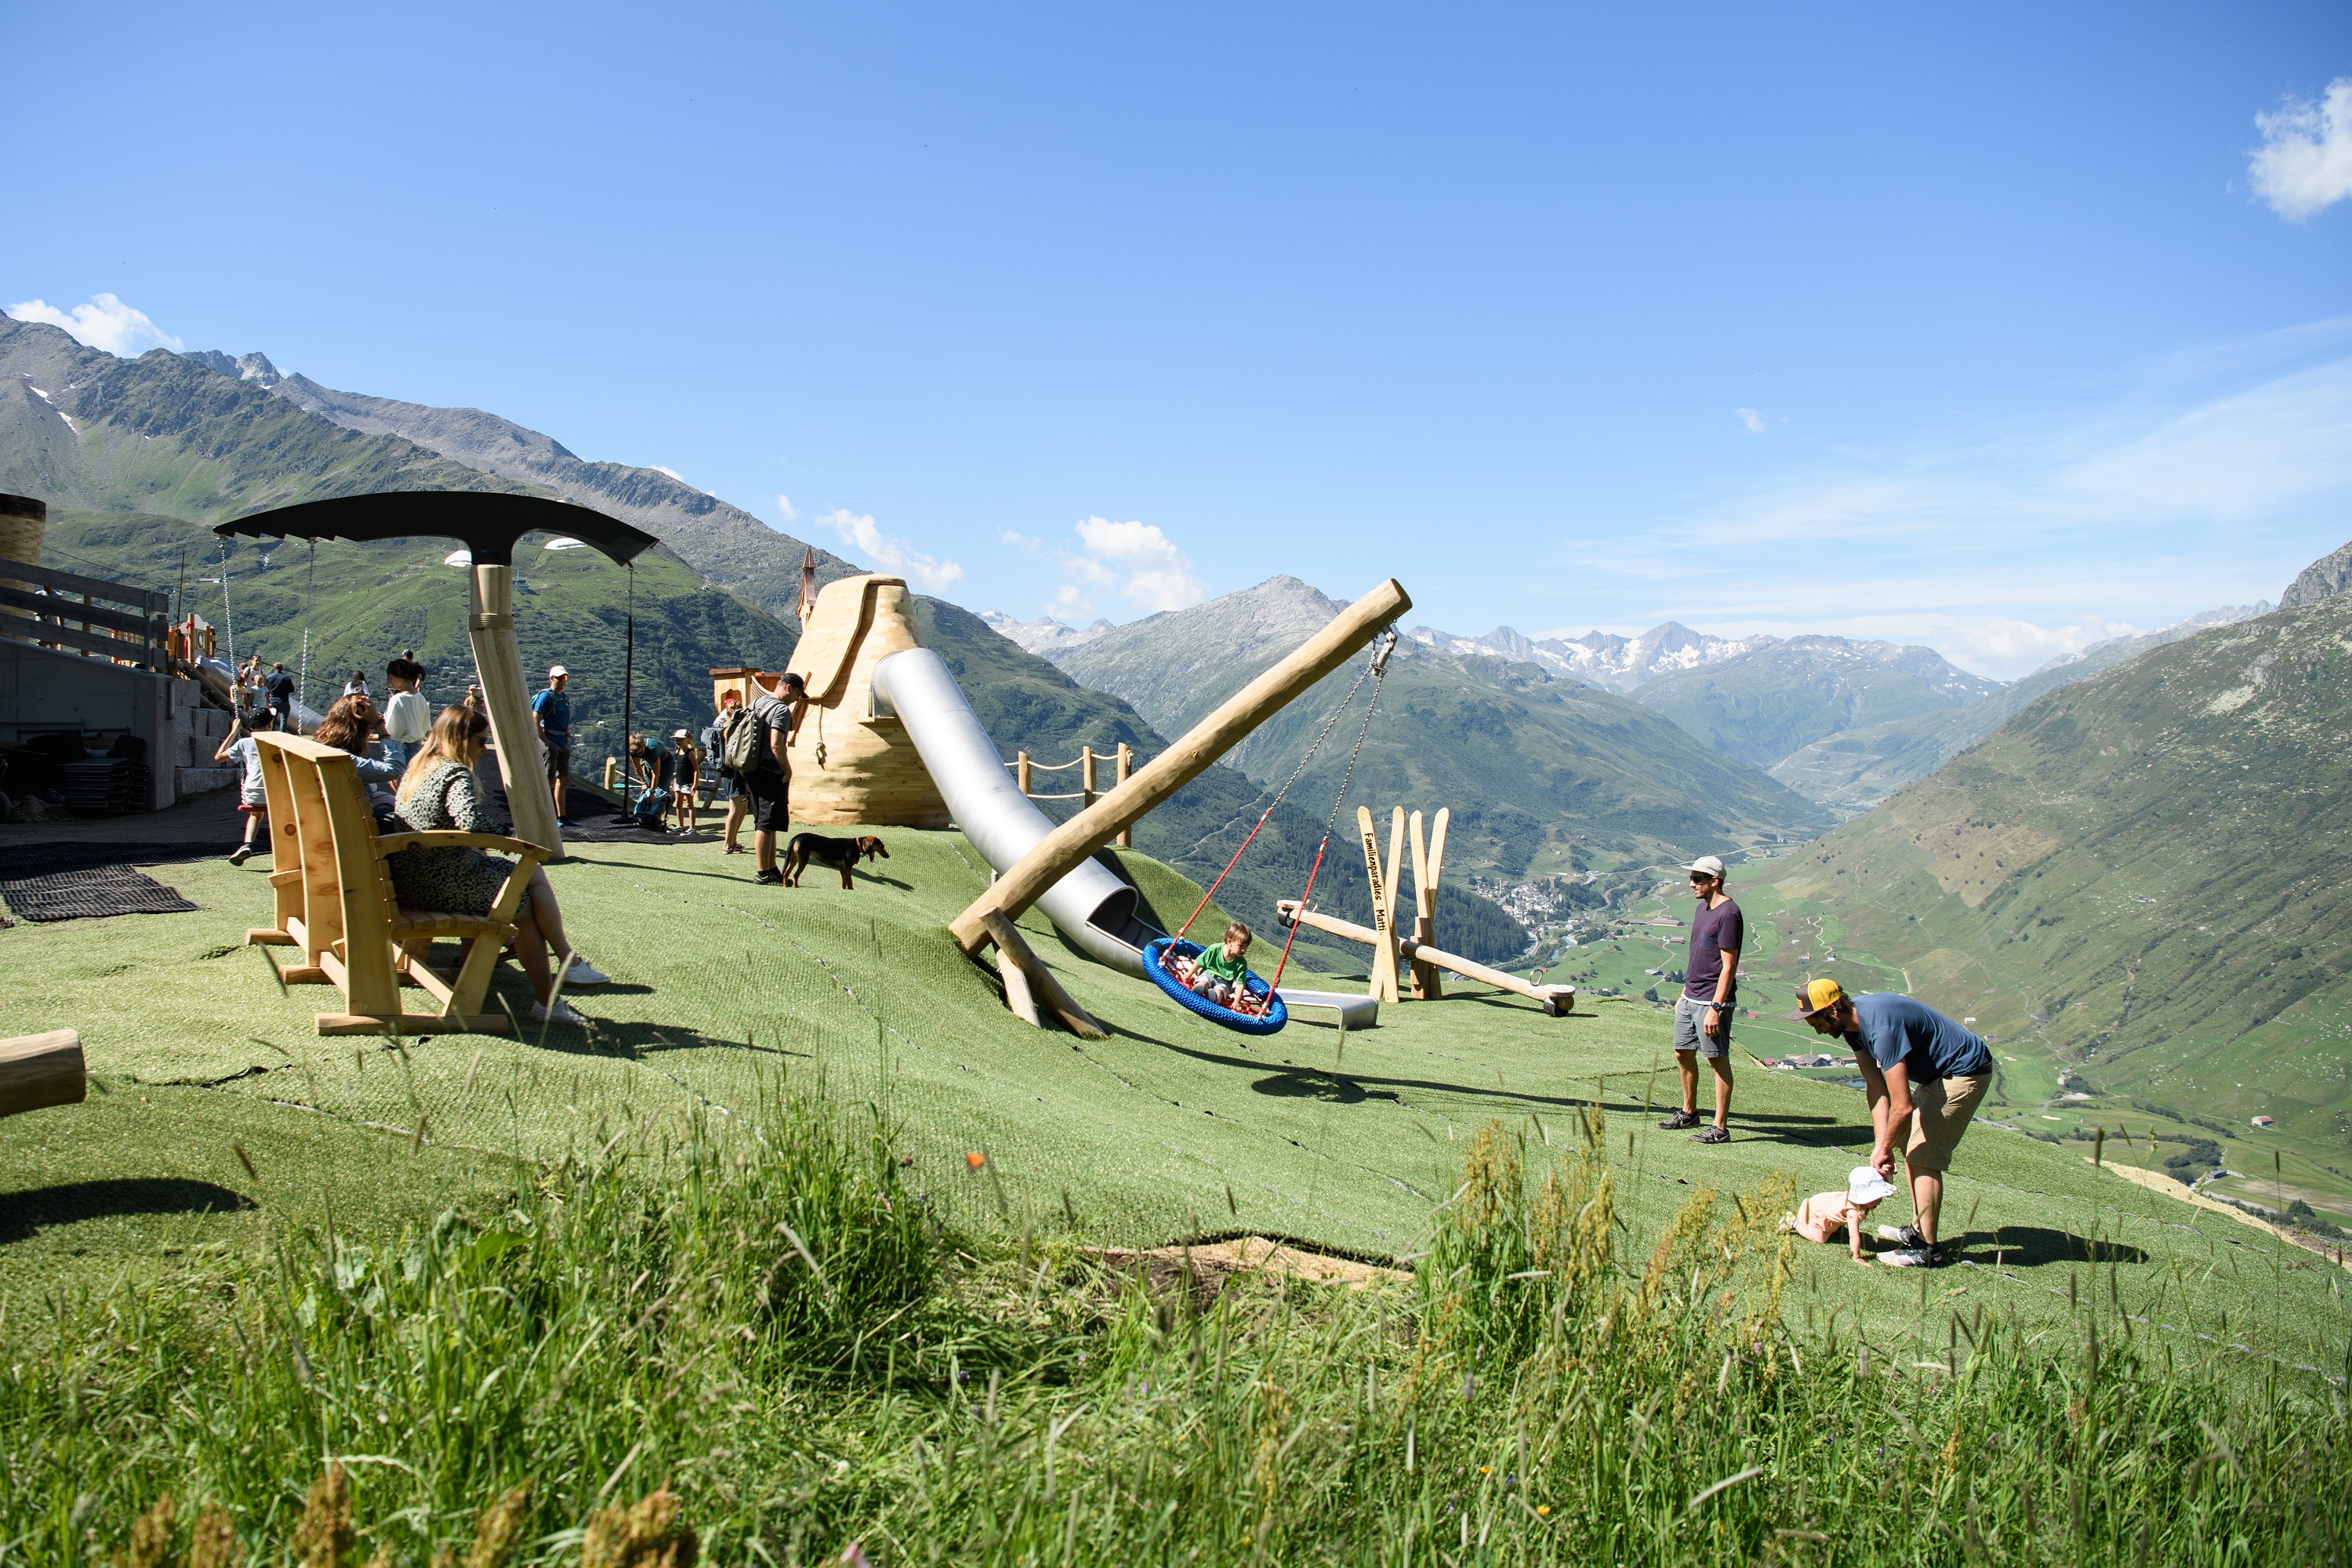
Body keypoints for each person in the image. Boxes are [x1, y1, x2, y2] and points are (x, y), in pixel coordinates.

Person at [391, 706, 609, 1022]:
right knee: (524, 907)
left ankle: (564, 968)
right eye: (481, 741)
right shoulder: (454, 772)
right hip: (443, 884)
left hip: (411, 880)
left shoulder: (418, 768)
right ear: (462, 740)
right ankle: (553, 990)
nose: (484, 749)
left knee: (528, 877)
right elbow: (468, 820)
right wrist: (505, 836)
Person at [1793, 978, 1994, 1269]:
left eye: (1814, 1021)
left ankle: (1927, 1250)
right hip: (1937, 1077)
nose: (1815, 1029)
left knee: (1922, 1154)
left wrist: (1884, 1148)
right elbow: (1876, 1089)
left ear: (1832, 1011)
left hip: (1964, 1072)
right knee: (1904, 1140)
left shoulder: (1881, 1029)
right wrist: (1881, 1147)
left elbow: (1902, 1105)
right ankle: (1918, 1231)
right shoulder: (1853, 1027)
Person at [1657, 855, 1742, 1145]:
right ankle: (1690, 1112)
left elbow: (1729, 966)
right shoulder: (1702, 909)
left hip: (1711, 1002)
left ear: (1714, 881)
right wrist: (1684, 993)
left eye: (1697, 879)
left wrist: (1716, 1008)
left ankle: (1720, 1128)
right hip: (1691, 996)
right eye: (1692, 878)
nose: (1691, 883)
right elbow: (1699, 955)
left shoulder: (1728, 914)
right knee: (1683, 1052)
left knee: (1716, 1060)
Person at [742, 671, 806, 884]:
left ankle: (772, 869)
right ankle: (762, 873)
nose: (797, 699)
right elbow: (776, 743)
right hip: (769, 771)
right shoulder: (780, 710)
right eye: (798, 694)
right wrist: (787, 770)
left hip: (751, 768)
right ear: (789, 688)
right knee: (765, 823)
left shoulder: (759, 702)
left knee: (768, 823)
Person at [1776, 1166, 1898, 1266]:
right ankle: (1794, 1222)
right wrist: (1857, 1257)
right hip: (1817, 1211)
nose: (1881, 1199)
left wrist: (1889, 1173)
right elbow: (1854, 1236)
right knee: (1819, 1239)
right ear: (1866, 1198)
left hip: (1822, 1201)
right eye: (1877, 1197)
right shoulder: (1852, 1212)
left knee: (1834, 1230)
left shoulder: (1860, 1202)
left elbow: (1888, 1183)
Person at [218, 708, 277, 864]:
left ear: (250, 728)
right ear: (270, 725)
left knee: (255, 815)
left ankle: (247, 844)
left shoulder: (244, 743)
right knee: (283, 814)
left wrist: (233, 732)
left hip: (254, 793)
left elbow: (218, 757)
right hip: (276, 793)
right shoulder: (280, 741)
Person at [703, 690, 749, 854]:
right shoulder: (729, 730)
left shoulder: (727, 728)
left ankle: (733, 841)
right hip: (732, 771)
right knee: (735, 808)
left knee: (743, 807)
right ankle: (728, 846)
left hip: (733, 771)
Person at [1172, 922, 1258, 1008]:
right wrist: (1188, 975)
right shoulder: (1215, 949)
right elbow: (1200, 962)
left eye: (1246, 947)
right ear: (1229, 942)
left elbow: (1240, 983)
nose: (1244, 950)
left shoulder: (1242, 963)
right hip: (1208, 973)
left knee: (1220, 991)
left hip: (1225, 982)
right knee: (1204, 981)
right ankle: (1200, 988)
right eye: (1241, 946)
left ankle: (1214, 996)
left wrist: (1237, 1001)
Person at [533, 665, 575, 826]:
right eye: (560, 678)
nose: (563, 681)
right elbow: (535, 720)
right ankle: (544, 816)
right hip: (550, 741)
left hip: (562, 742)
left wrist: (566, 733)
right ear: (551, 679)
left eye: (565, 678)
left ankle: (562, 817)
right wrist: (546, 742)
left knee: (563, 779)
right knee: (548, 778)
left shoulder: (563, 697)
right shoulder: (546, 697)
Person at [382, 655, 430, 771]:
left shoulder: (397, 699)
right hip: (418, 753)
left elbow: (393, 733)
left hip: (402, 752)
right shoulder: (421, 698)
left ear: (400, 676)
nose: (390, 681)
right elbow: (426, 728)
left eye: (391, 677)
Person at [626, 733, 673, 828]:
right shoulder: (633, 751)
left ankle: (656, 819)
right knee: (646, 791)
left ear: (643, 746)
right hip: (648, 763)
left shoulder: (652, 749)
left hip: (665, 763)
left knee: (659, 791)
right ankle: (643, 817)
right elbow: (637, 767)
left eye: (640, 753)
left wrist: (653, 792)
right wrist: (644, 783)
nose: (639, 755)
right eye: (636, 754)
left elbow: (656, 773)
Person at [669, 728, 700, 833]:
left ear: (688, 740)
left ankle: (692, 827)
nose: (678, 742)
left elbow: (696, 770)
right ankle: (681, 825)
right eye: (677, 740)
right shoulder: (678, 752)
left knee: (690, 805)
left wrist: (694, 784)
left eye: (681, 740)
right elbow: (679, 769)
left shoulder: (690, 753)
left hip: (688, 783)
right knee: (678, 804)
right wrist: (675, 782)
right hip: (679, 782)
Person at [263, 662, 296, 732]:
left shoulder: (269, 678)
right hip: (284, 700)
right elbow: (292, 689)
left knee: (273, 719)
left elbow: (266, 688)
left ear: (274, 669)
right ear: (282, 669)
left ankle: (271, 733)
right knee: (283, 720)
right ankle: (282, 733)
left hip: (273, 701)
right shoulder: (286, 678)